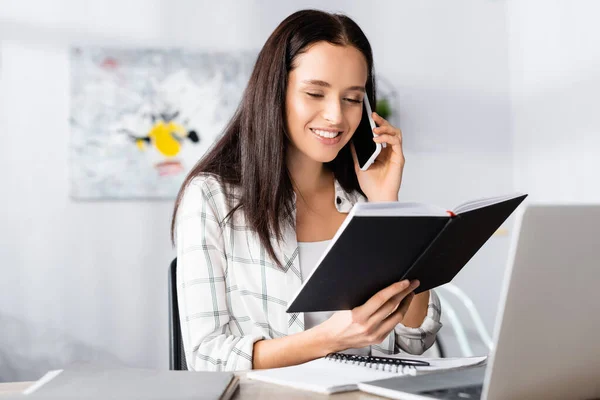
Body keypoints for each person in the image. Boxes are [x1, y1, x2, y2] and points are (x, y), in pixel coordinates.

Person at [171, 9, 442, 372]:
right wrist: (331, 338)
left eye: (351, 99)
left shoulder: (362, 202)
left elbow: (416, 339)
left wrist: (386, 205)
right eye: (315, 93)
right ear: (275, 93)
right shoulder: (211, 198)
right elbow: (206, 357)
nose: (335, 116)